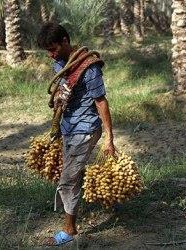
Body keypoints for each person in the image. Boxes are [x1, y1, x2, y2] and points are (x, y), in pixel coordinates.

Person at [37, 22, 116, 246]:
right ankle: (107, 204)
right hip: (68, 127)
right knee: (74, 173)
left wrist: (109, 138)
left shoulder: (89, 67)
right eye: (47, 52)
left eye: (53, 49)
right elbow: (62, 91)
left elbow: (101, 102)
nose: (51, 56)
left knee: (67, 179)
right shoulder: (60, 63)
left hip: (87, 128)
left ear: (65, 41)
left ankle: (70, 230)